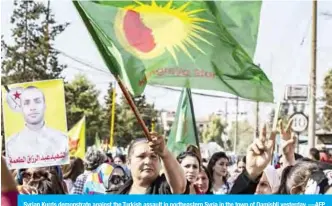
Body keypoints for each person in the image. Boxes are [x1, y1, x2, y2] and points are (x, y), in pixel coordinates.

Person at [6, 86, 69, 169]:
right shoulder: (11, 145)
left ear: (45, 106)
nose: (32, 108)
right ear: (21, 108)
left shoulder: (62, 140)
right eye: (26, 103)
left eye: (37, 101)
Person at [116, 133, 188, 194]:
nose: (148, 161)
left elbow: (180, 187)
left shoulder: (165, 189)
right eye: (141, 156)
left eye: (153, 156)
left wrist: (165, 153)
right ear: (128, 162)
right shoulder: (118, 192)